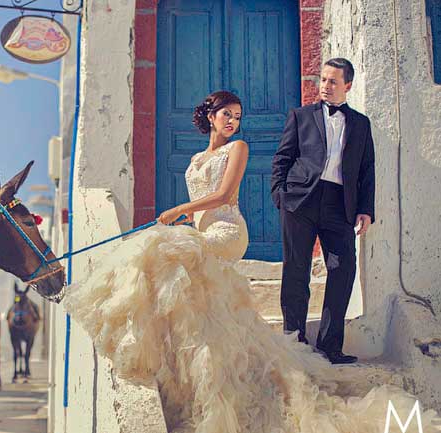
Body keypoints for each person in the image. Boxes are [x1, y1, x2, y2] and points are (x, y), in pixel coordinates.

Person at [64, 91, 437, 433]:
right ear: (210, 116)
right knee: (171, 270)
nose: (232, 122)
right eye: (226, 114)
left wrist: (180, 210)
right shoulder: (196, 159)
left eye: (237, 116)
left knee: (158, 250)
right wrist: (187, 221)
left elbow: (224, 195)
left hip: (227, 231)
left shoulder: (238, 148)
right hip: (201, 232)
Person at [271, 58, 375, 364]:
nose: (325, 87)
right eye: (323, 80)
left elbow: (367, 169)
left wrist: (366, 209)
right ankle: (294, 340)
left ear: (348, 86)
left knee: (343, 269)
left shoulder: (360, 123)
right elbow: (282, 158)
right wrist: (281, 196)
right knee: (296, 269)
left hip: (340, 203)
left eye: (333, 81)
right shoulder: (301, 116)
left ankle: (331, 345)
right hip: (300, 201)